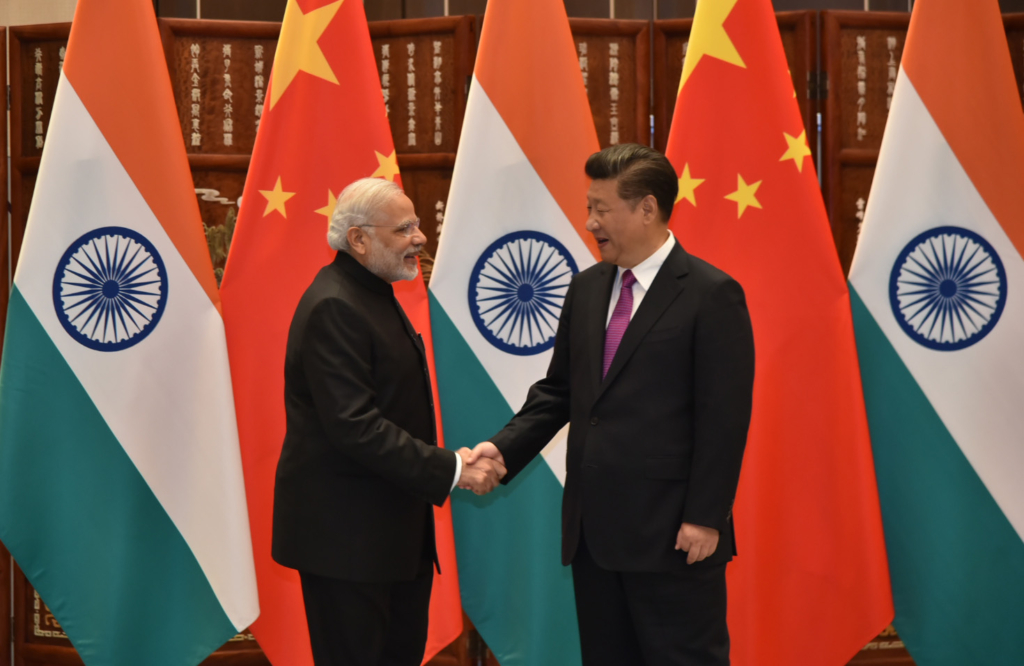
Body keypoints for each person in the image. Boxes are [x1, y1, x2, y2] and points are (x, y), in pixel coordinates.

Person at [468, 144, 756, 665]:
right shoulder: (587, 287)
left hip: (673, 536)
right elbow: (559, 393)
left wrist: (705, 517)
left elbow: (725, 418)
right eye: (589, 207)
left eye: (601, 209)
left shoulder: (712, 294)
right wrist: (501, 450)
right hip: (594, 535)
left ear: (647, 208)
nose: (589, 221)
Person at [272, 177, 504, 666]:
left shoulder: (371, 291)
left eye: (418, 225)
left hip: (388, 541)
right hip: (349, 547)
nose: (421, 238)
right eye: (404, 229)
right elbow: (356, 426)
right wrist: (454, 469)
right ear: (359, 240)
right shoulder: (336, 303)